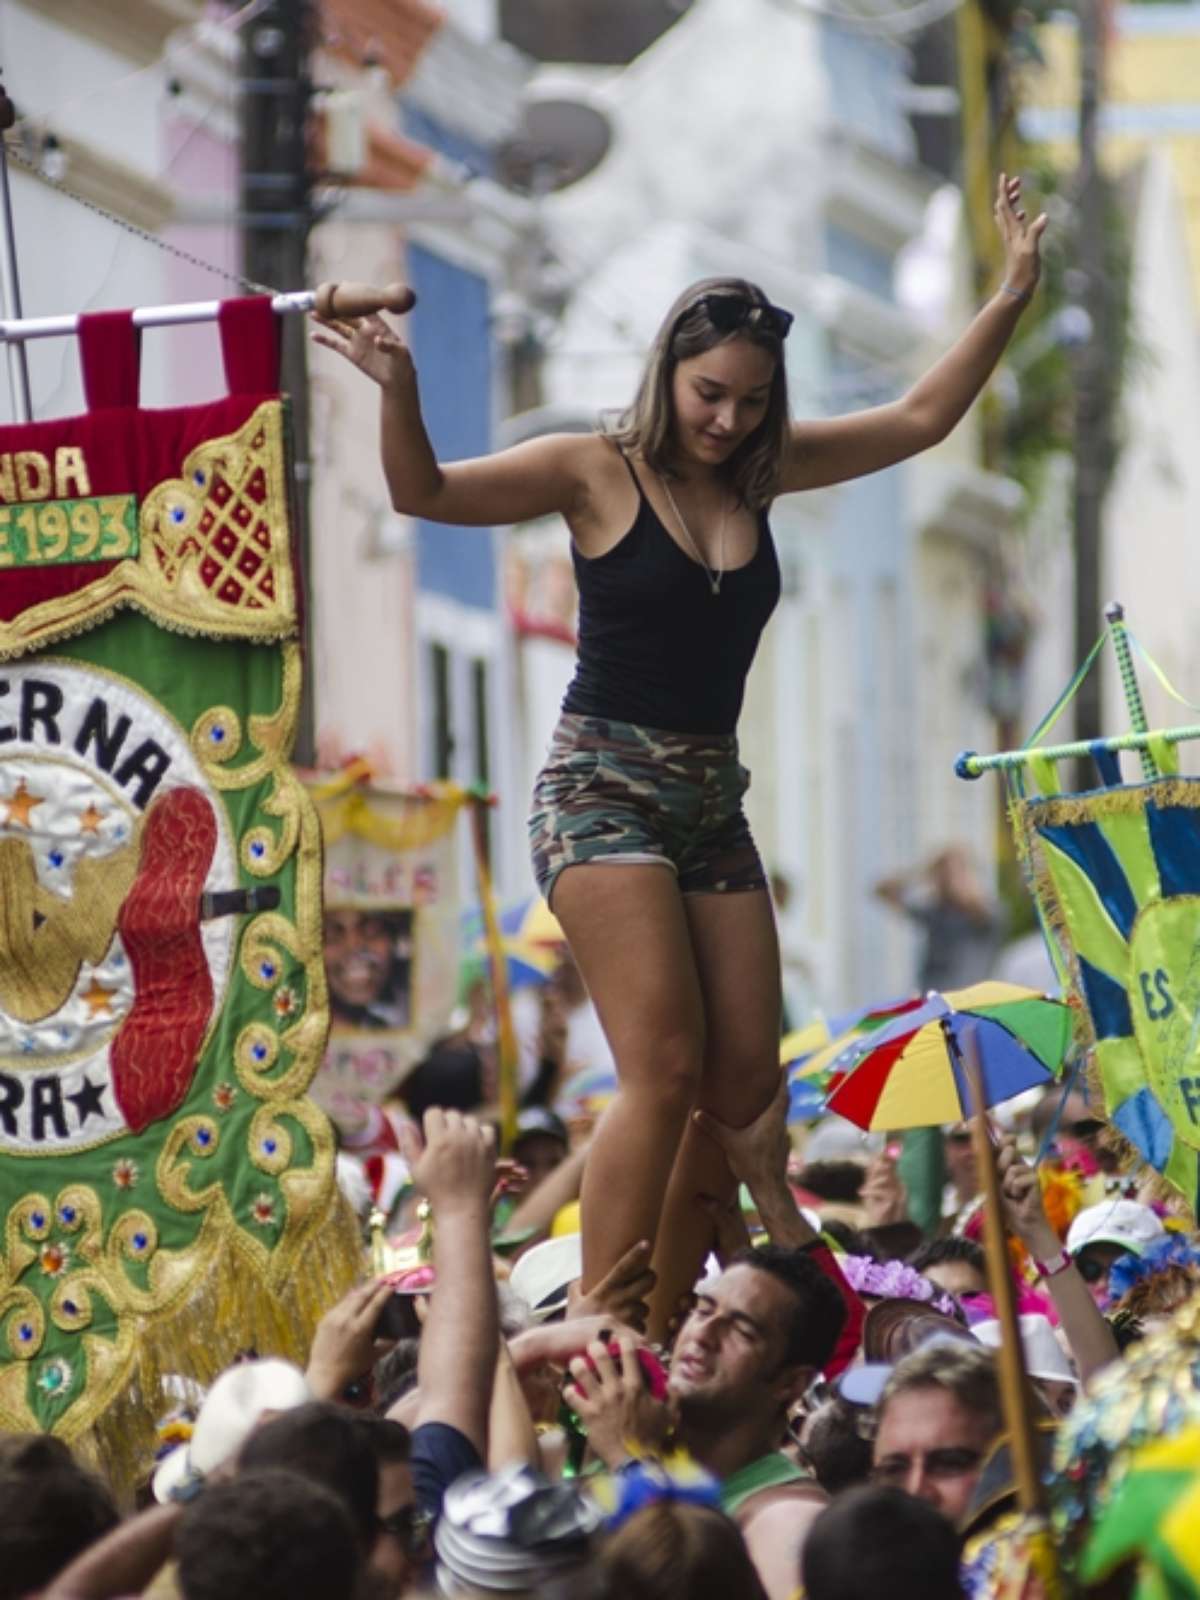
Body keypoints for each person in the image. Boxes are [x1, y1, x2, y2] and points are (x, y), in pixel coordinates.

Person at [317, 174, 1046, 1334]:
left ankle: (671, 1313)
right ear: (667, 371)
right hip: (600, 787)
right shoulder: (591, 467)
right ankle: (601, 1323)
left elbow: (917, 421)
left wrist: (1009, 293)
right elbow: (424, 490)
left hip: (711, 797)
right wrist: (399, 387)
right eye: (711, 394)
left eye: (752, 403)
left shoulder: (765, 471)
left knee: (745, 1089)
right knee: (658, 1070)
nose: (727, 421)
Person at [567, 1246, 846, 1600]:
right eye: (703, 1310)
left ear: (791, 1384)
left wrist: (629, 1460)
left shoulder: (790, 1518)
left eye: (742, 1331)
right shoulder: (611, 1432)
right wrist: (535, 1347)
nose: (703, 1334)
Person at [874, 845, 1005, 997]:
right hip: (933, 1000)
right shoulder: (934, 911)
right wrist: (921, 874)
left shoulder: (988, 911)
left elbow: (978, 910)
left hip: (972, 1001)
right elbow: (882, 891)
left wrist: (958, 880)